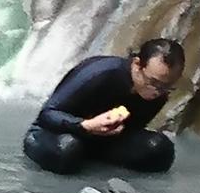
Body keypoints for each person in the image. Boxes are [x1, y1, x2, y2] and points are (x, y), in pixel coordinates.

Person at [22, 39, 183, 175]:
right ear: (137, 65)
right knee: (68, 149)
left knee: (160, 150)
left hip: (103, 142)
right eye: (153, 82)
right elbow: (47, 114)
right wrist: (85, 125)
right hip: (52, 134)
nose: (157, 91)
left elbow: (135, 128)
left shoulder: (159, 94)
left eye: (167, 86)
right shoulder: (100, 72)